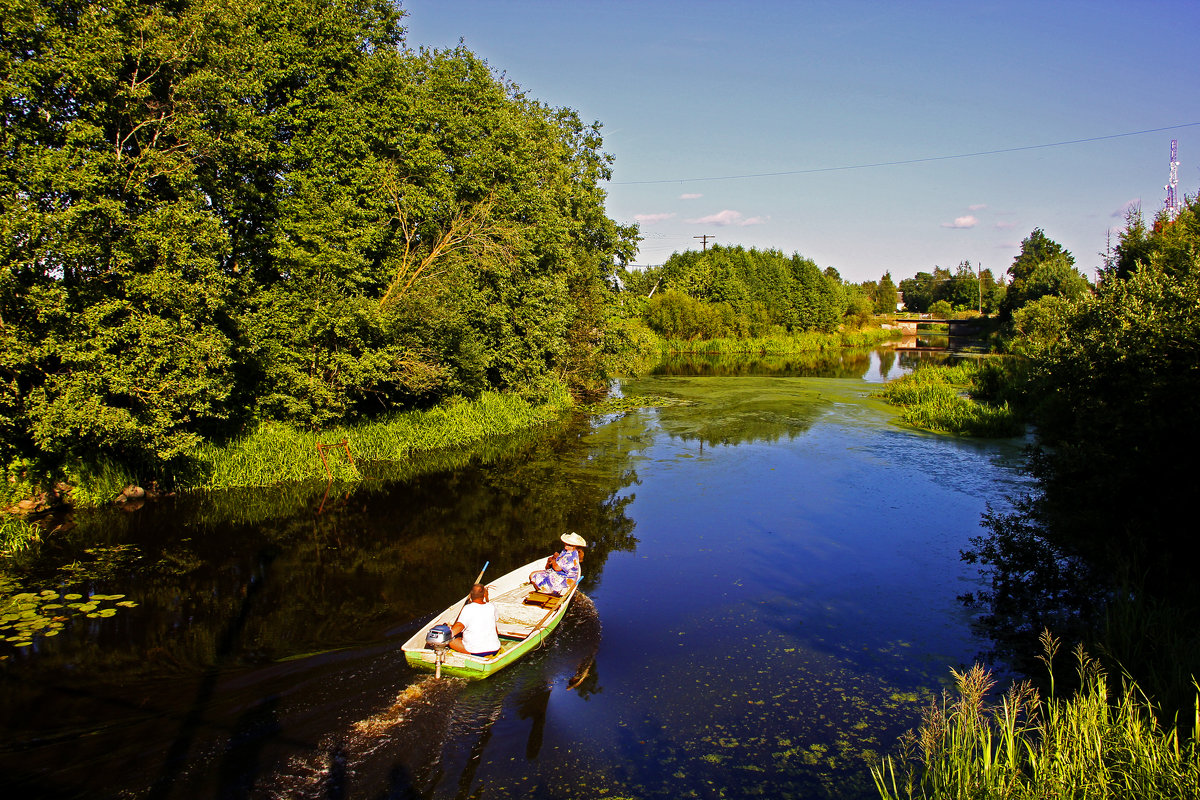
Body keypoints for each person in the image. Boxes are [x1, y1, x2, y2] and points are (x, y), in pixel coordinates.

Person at [450, 583, 501, 657]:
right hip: (494, 649)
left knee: (451, 641)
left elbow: (459, 626)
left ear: (470, 595)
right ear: (484, 595)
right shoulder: (491, 606)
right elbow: (494, 620)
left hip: (475, 652)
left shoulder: (467, 608)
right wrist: (487, 597)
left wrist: (447, 634)